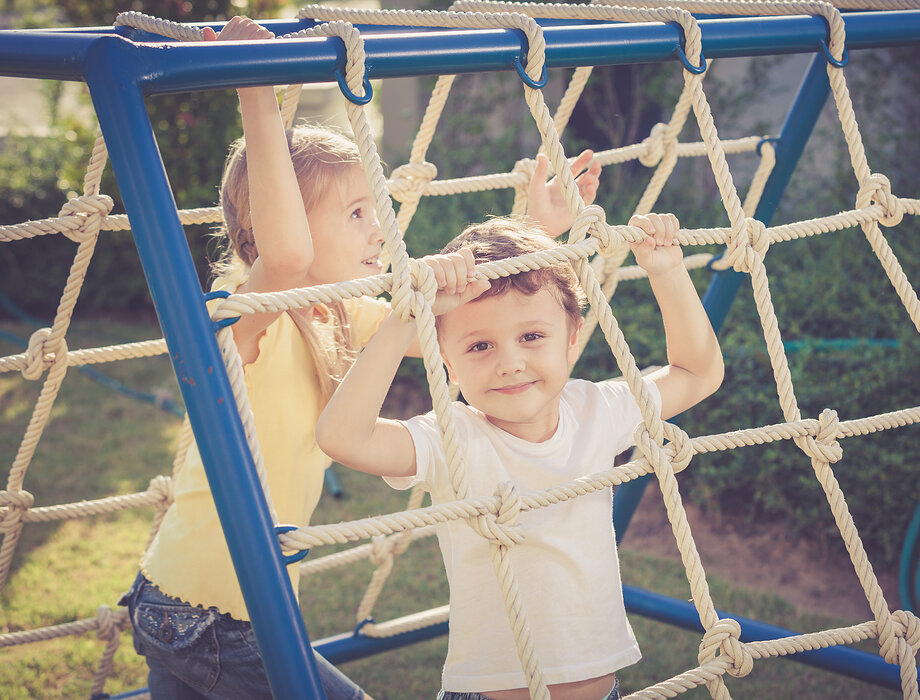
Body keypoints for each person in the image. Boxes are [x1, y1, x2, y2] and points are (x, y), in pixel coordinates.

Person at [119, 16, 601, 699]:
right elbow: (286, 258)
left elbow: (464, 311)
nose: (379, 229)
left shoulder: (341, 313)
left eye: (374, 211)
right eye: (353, 214)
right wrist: (256, 93)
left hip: (193, 598)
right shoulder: (238, 313)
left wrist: (535, 224)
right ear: (267, 219)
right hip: (211, 614)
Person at [316, 213, 725, 699]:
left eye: (531, 337)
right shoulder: (452, 438)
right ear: (446, 361)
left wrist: (667, 270)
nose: (509, 362)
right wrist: (404, 318)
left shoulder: (596, 410)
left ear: (573, 339)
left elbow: (698, 374)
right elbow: (343, 437)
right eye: (480, 345)